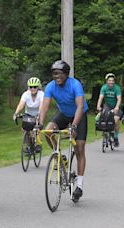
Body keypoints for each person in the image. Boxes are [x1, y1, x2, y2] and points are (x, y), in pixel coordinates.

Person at [38, 60, 88, 201]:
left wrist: (74, 126)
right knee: (48, 132)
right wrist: (40, 123)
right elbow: (45, 107)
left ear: (66, 74)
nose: (56, 76)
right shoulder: (50, 86)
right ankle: (58, 155)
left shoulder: (75, 85)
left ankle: (79, 184)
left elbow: (79, 106)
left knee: (79, 147)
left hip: (79, 114)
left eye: (59, 73)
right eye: (54, 74)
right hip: (64, 113)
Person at [13, 77, 44, 151]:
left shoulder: (41, 94)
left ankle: (38, 144)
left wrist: (39, 115)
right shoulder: (26, 94)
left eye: (35, 87)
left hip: (38, 113)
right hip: (28, 114)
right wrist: (16, 113)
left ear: (38, 87)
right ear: (28, 87)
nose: (33, 89)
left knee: (37, 127)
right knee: (24, 129)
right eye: (31, 87)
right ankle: (29, 145)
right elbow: (21, 105)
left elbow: (42, 105)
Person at [96, 73, 122, 147]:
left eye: (112, 80)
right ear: (107, 81)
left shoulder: (117, 88)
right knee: (103, 117)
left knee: (116, 120)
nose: (111, 82)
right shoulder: (104, 88)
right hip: (107, 106)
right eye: (109, 80)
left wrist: (116, 107)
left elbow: (119, 99)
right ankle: (105, 134)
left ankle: (116, 137)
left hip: (115, 106)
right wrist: (98, 106)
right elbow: (101, 97)